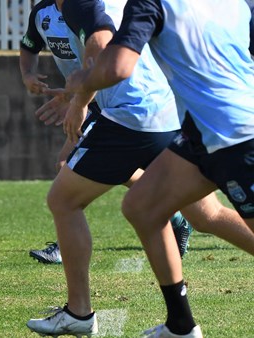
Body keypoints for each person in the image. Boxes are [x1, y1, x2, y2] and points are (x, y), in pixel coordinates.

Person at [62, 0, 254, 336]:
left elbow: (118, 67)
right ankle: (180, 325)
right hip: (199, 134)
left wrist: (81, 81)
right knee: (143, 206)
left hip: (235, 135)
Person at [19, 0, 192, 265]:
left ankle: (66, 249)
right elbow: (29, 46)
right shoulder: (42, 13)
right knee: (203, 212)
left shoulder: (85, 7)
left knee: (66, 173)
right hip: (95, 99)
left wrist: (79, 101)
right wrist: (29, 75)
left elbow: (99, 52)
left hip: (109, 101)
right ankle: (176, 217)